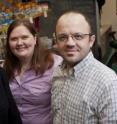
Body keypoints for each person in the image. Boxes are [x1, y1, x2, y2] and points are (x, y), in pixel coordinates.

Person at [51, 10, 117, 124]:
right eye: (62, 37)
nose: (70, 43)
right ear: (56, 41)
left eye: (78, 36)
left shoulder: (107, 83)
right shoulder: (58, 71)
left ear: (91, 41)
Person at [4, 19, 62, 124]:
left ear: (35, 39)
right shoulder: (5, 69)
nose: (19, 43)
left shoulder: (55, 64)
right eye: (13, 39)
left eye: (24, 37)